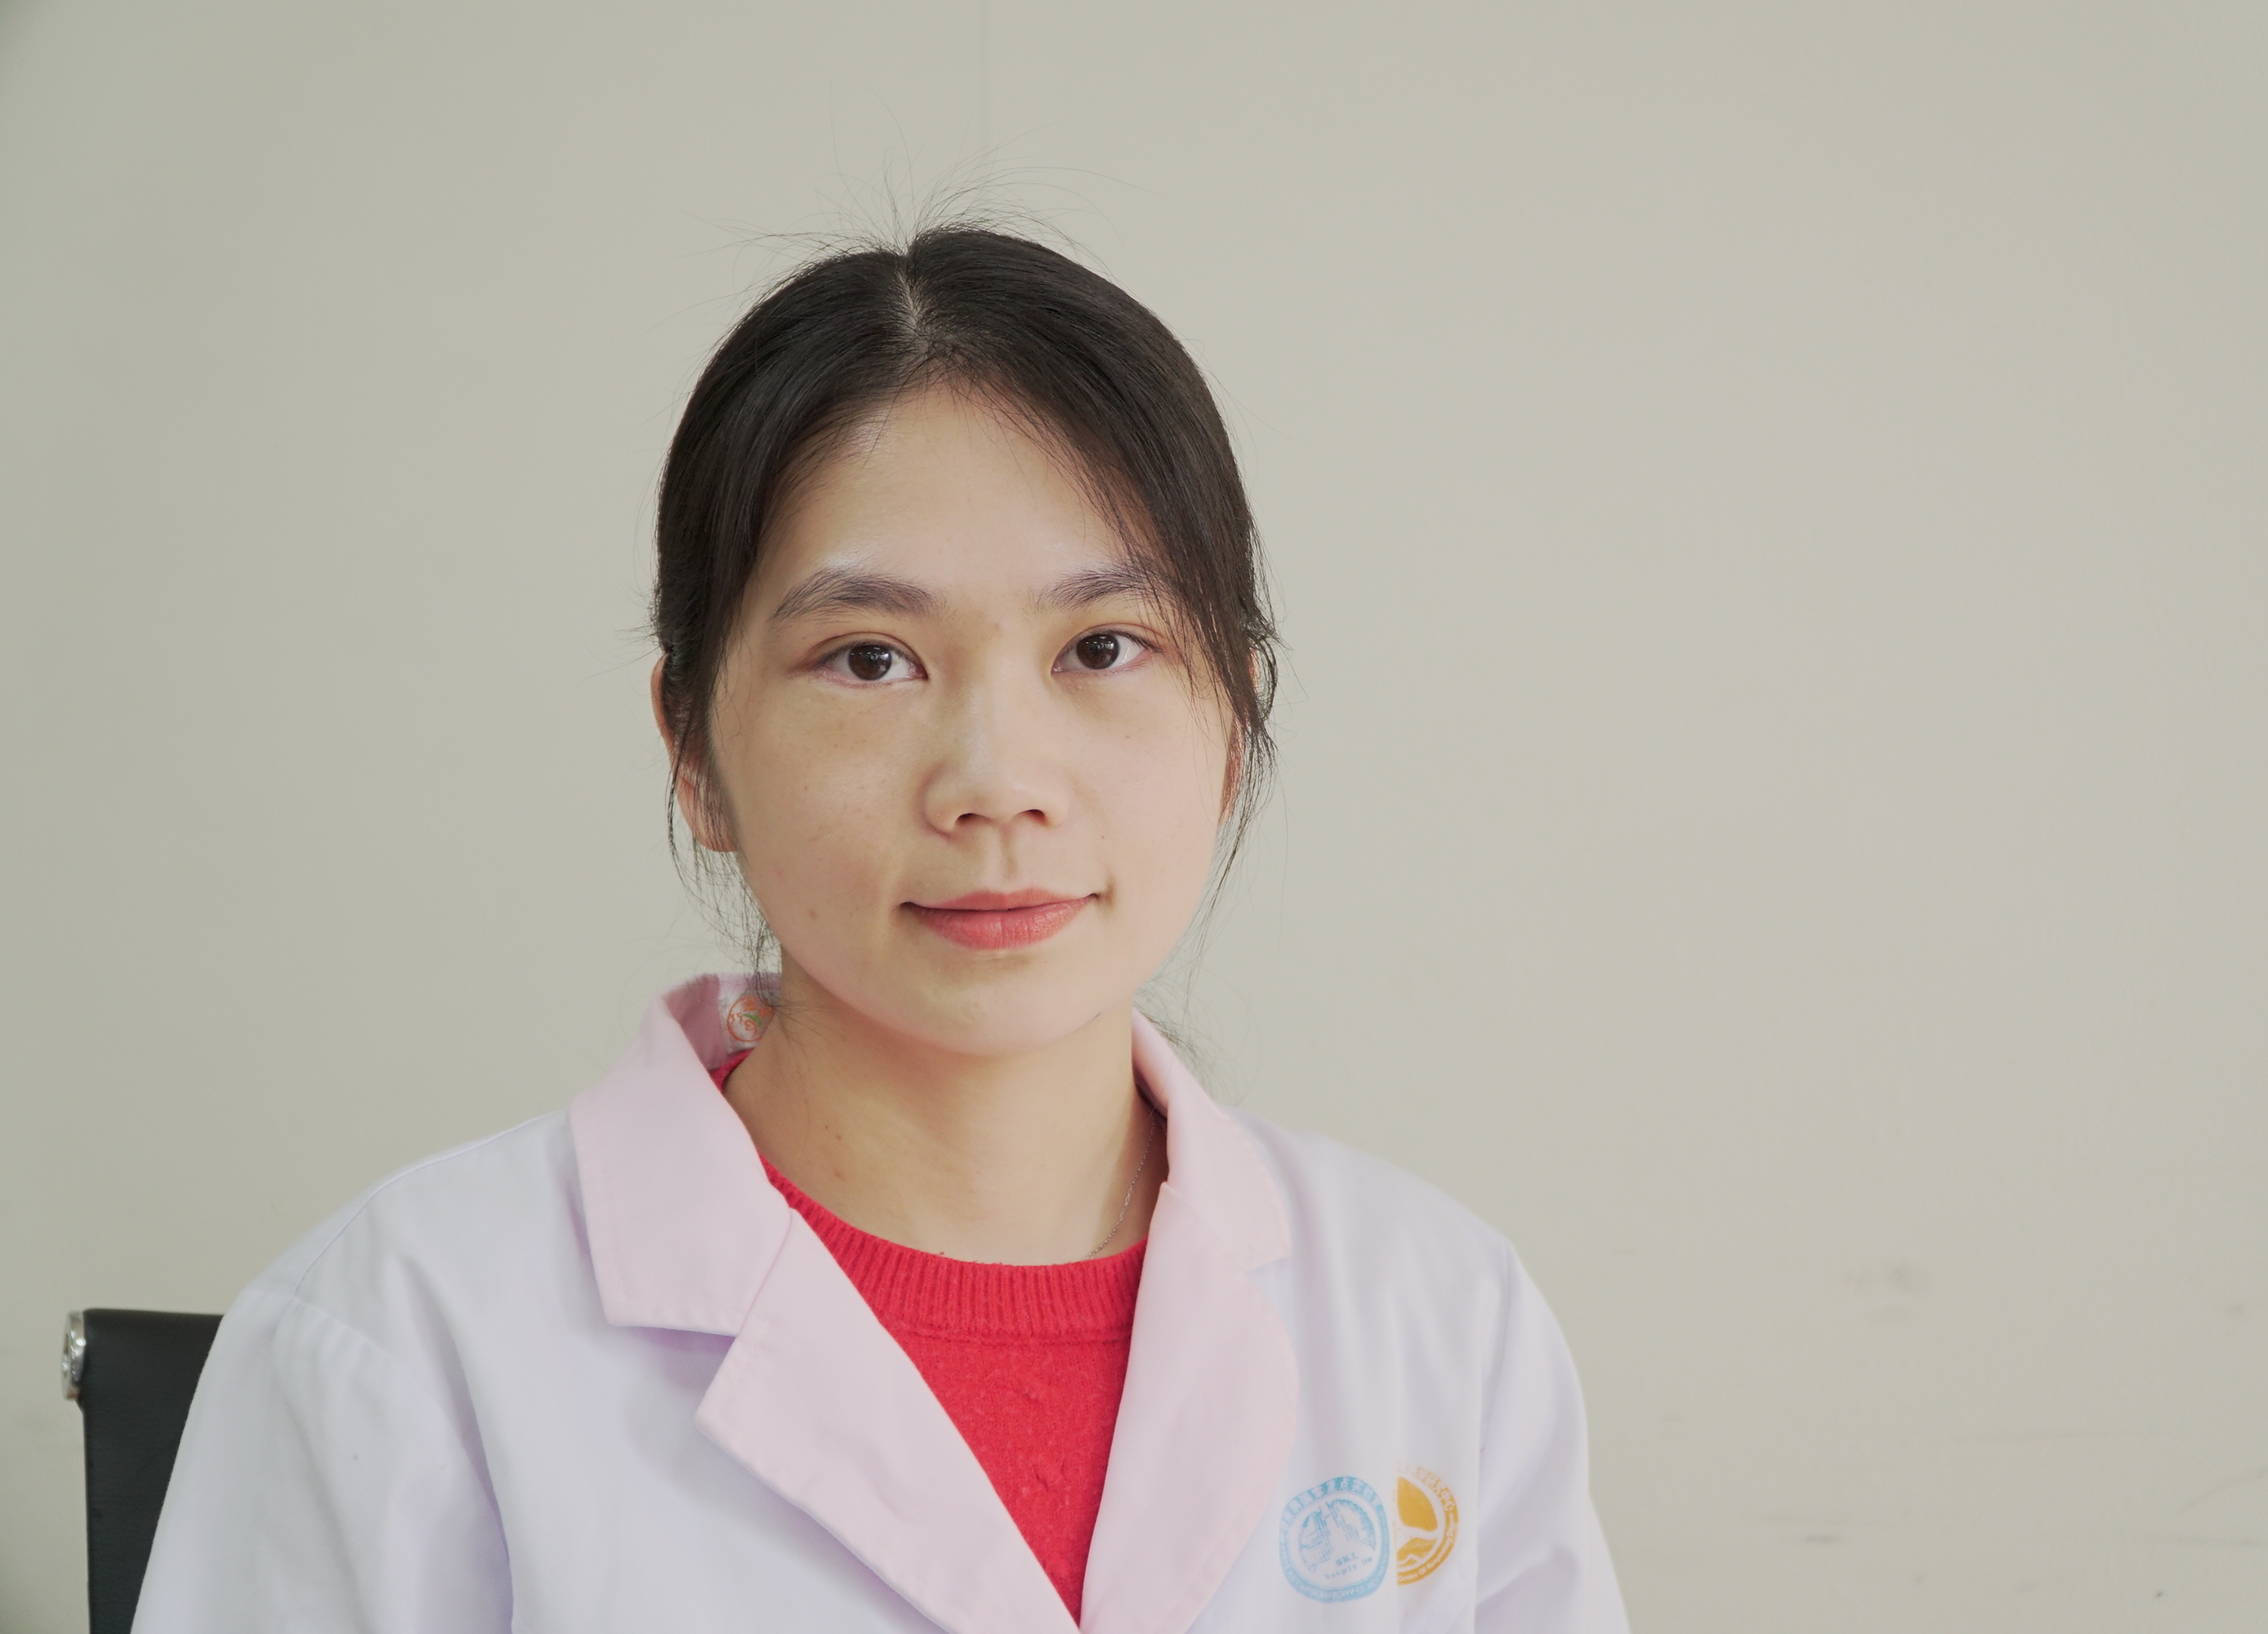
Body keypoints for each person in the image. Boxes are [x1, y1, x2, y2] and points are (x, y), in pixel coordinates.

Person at [135, 226, 1627, 1633]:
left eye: (1103, 647)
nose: (996, 782)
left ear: (1236, 722)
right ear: (692, 749)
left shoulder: (1441, 1322)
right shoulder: (397, 1341)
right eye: (870, 659)